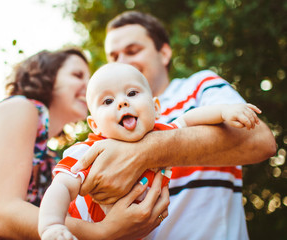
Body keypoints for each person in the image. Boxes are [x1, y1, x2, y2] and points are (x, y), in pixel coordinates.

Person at [69, 11, 277, 240]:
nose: (122, 62)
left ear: (164, 53)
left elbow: (261, 140)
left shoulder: (199, 86)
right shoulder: (108, 123)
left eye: (132, 51)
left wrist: (142, 152)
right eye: (114, 56)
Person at [38, 62, 262, 240]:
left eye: (132, 93)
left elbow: (191, 118)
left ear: (156, 108)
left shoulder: (162, 133)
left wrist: (225, 111)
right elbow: (61, 187)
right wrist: (52, 225)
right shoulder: (88, 152)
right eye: (107, 101)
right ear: (94, 124)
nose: (122, 103)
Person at [0, 48, 169, 240]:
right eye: (77, 75)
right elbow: (3, 217)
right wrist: (103, 232)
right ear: (47, 76)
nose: (88, 85)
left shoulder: (52, 159)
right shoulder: (20, 108)